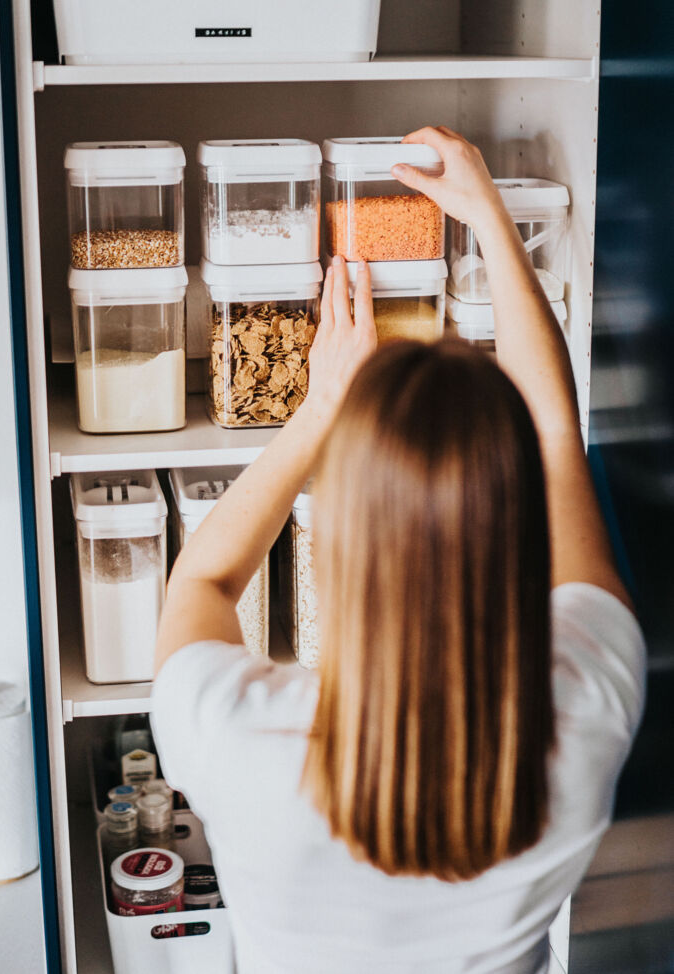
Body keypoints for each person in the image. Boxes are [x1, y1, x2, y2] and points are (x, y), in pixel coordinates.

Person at [151, 127, 645, 973]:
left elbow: (203, 573)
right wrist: (490, 218)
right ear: (515, 529)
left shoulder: (239, 738)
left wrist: (319, 408)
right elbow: (558, 436)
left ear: (337, 540)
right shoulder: (583, 713)